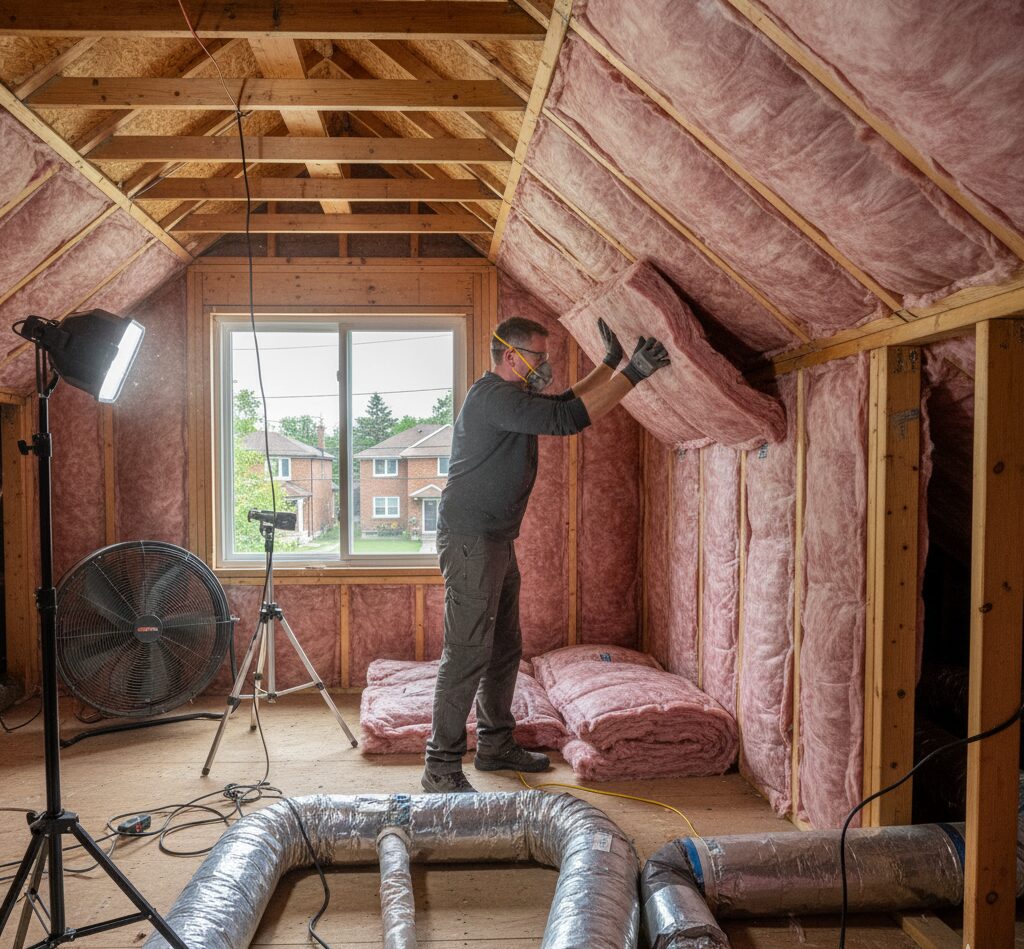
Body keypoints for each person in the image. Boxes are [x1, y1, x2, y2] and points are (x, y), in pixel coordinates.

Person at [422, 315, 670, 792]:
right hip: (471, 539)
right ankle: (440, 767)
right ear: (511, 356)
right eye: (538, 357)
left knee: (505, 647)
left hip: (494, 538)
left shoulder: (512, 398)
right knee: (467, 652)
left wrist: (611, 365)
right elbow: (566, 420)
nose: (545, 366)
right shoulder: (492, 397)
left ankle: (495, 746)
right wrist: (634, 375)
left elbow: (562, 402)